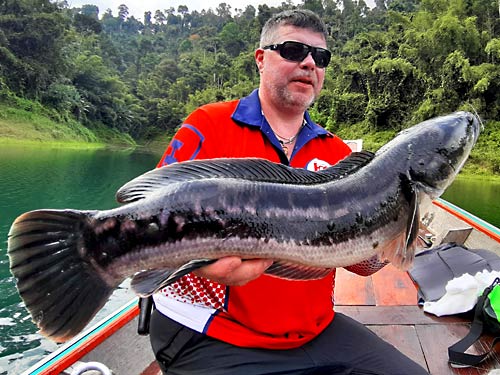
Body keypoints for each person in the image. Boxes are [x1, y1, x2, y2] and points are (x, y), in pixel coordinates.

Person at [149, 9, 429, 375]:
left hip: (313, 332)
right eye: (294, 50)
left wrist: (399, 229)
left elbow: (362, 265)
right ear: (261, 59)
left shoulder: (339, 156)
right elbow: (148, 220)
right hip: (210, 332)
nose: (310, 63)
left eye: (321, 56)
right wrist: (200, 266)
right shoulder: (208, 126)